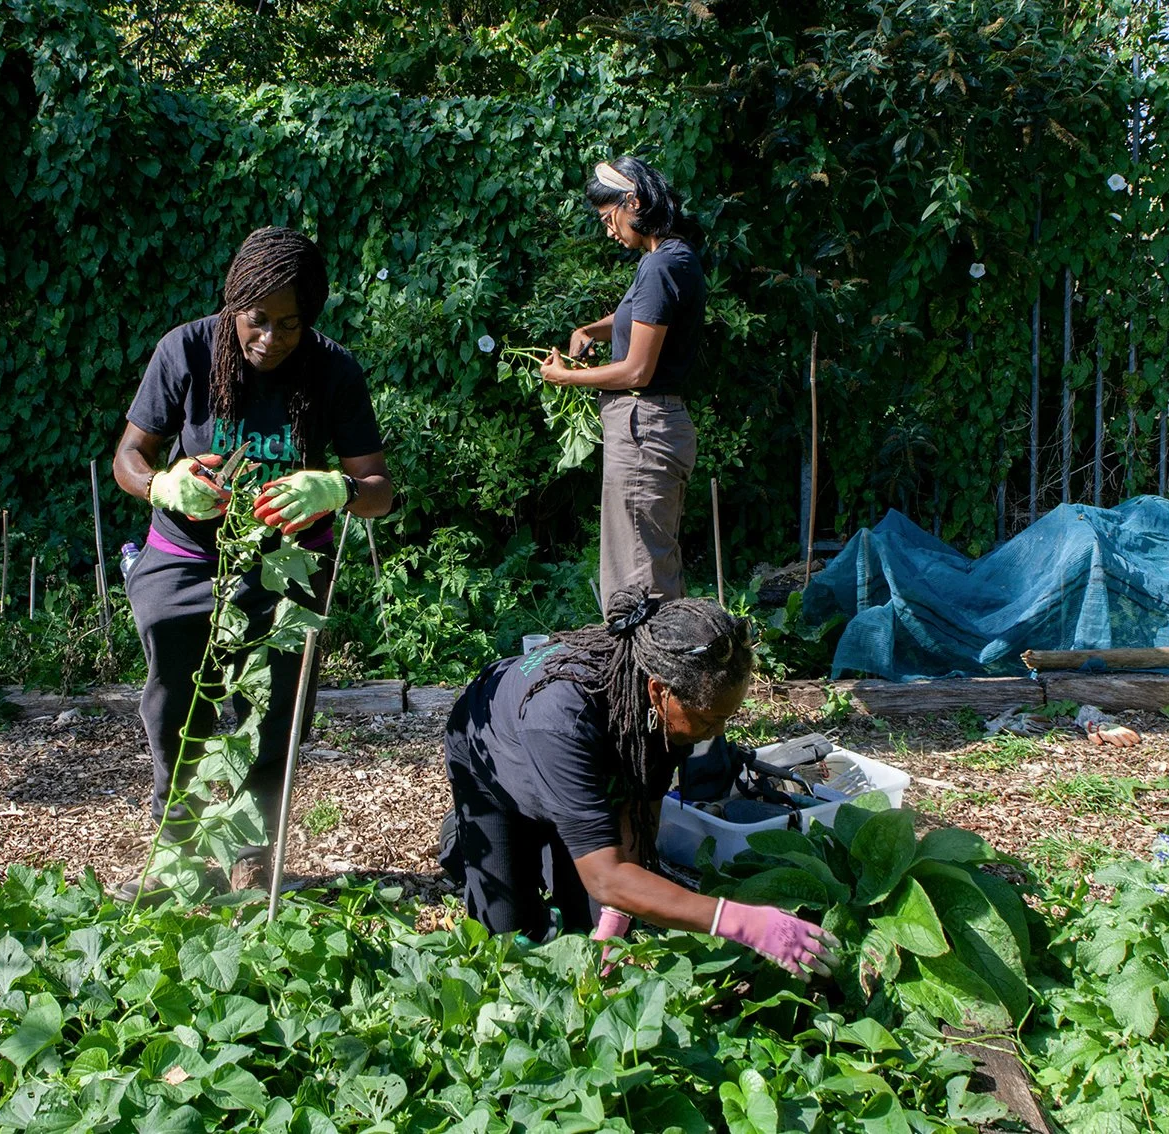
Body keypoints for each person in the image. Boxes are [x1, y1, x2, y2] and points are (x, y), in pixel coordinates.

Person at [113, 226, 393, 896]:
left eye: (290, 324)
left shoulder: (333, 370)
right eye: (257, 320)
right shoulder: (184, 350)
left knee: (271, 713)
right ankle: (176, 851)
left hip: (285, 568)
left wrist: (339, 488)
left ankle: (249, 855)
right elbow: (127, 457)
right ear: (234, 303)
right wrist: (163, 483)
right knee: (177, 705)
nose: (270, 339)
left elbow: (381, 488)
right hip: (183, 558)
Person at [441, 588, 837, 977]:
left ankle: (563, 833)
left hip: (573, 763)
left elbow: (641, 807)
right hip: (490, 751)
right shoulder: (562, 721)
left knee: (595, 915)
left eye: (724, 719)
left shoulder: (666, 708)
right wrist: (741, 921)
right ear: (658, 691)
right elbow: (606, 877)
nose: (715, 732)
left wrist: (613, 915)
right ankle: (462, 840)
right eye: (707, 719)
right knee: (508, 937)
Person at [539, 156, 707, 608]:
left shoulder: (659, 266)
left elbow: (636, 370)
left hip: (643, 427)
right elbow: (641, 315)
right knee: (651, 563)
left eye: (607, 217)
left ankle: (649, 675)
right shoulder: (674, 256)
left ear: (632, 201)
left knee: (637, 581)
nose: (608, 229)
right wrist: (590, 330)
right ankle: (664, 671)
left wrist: (566, 378)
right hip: (658, 426)